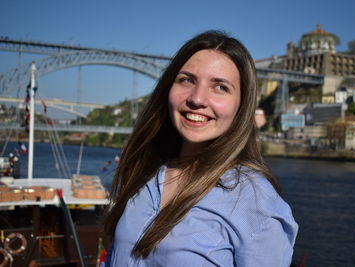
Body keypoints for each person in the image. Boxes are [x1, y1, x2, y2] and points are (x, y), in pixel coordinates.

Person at [104, 30, 298, 266]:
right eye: (187, 80)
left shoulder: (255, 201)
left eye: (220, 87)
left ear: (242, 105)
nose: (197, 98)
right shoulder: (145, 171)